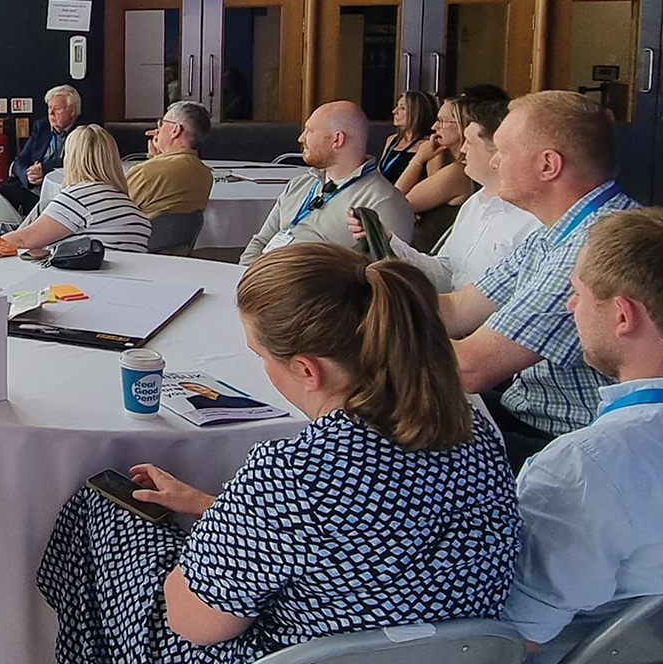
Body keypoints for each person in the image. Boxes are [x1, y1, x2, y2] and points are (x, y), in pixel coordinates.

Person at [38, 244, 520, 664]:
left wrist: (203, 538)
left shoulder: (293, 475)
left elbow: (192, 623)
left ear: (308, 371)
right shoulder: (474, 435)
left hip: (291, 653)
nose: (262, 368)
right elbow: (363, 549)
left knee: (102, 512)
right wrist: (218, 510)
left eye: (261, 356)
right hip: (442, 652)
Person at [436, 91, 639, 471]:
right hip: (525, 412)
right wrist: (360, 294)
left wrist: (356, 329)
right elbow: (458, 309)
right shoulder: (559, 229)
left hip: (573, 447)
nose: (493, 162)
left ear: (548, 165)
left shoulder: (593, 244)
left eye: (504, 151)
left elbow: (470, 367)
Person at [502, 209, 663, 662]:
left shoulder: (586, 466)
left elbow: (515, 636)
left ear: (622, 314)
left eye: (577, 294)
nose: (571, 307)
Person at [351, 99, 538, 293]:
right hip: (445, 310)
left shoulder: (533, 220)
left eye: (471, 143)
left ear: (498, 152)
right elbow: (445, 271)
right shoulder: (476, 202)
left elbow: (402, 202)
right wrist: (387, 238)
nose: (464, 150)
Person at [239, 101, 413, 267]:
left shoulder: (383, 201)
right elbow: (261, 241)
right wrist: (243, 276)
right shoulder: (301, 184)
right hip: (262, 285)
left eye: (309, 131)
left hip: (313, 295)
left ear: (337, 139)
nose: (301, 138)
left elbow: (388, 280)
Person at [0, 124, 151, 253]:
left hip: (79, 284)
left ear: (71, 160)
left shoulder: (78, 198)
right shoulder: (134, 211)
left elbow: (22, 241)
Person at [394, 96, 476, 251]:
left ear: (463, 126)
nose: (434, 127)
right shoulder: (453, 165)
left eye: (442, 121)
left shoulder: (457, 173)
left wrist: (419, 158)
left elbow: (392, 204)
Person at [0, 84, 85, 214]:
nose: (51, 113)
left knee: (1, 199)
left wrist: (44, 168)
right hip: (29, 185)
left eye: (57, 109)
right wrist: (28, 176)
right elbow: (20, 159)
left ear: (72, 111)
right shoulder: (42, 126)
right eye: (49, 108)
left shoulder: (84, 132)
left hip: (58, 194)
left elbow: (77, 160)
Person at [126, 100, 214, 217]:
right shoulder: (206, 176)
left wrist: (154, 162)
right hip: (183, 235)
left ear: (175, 130)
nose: (158, 130)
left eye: (162, 123)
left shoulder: (146, 173)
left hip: (139, 234)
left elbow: (110, 211)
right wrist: (157, 158)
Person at [378, 90, 439, 183]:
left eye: (402, 108)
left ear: (417, 113)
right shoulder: (392, 140)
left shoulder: (430, 146)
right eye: (396, 107)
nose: (394, 111)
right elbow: (379, 172)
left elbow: (433, 183)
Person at [177, 381, 264, 411]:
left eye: (197, 387)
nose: (198, 390)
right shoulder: (197, 401)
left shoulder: (234, 398)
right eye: (193, 390)